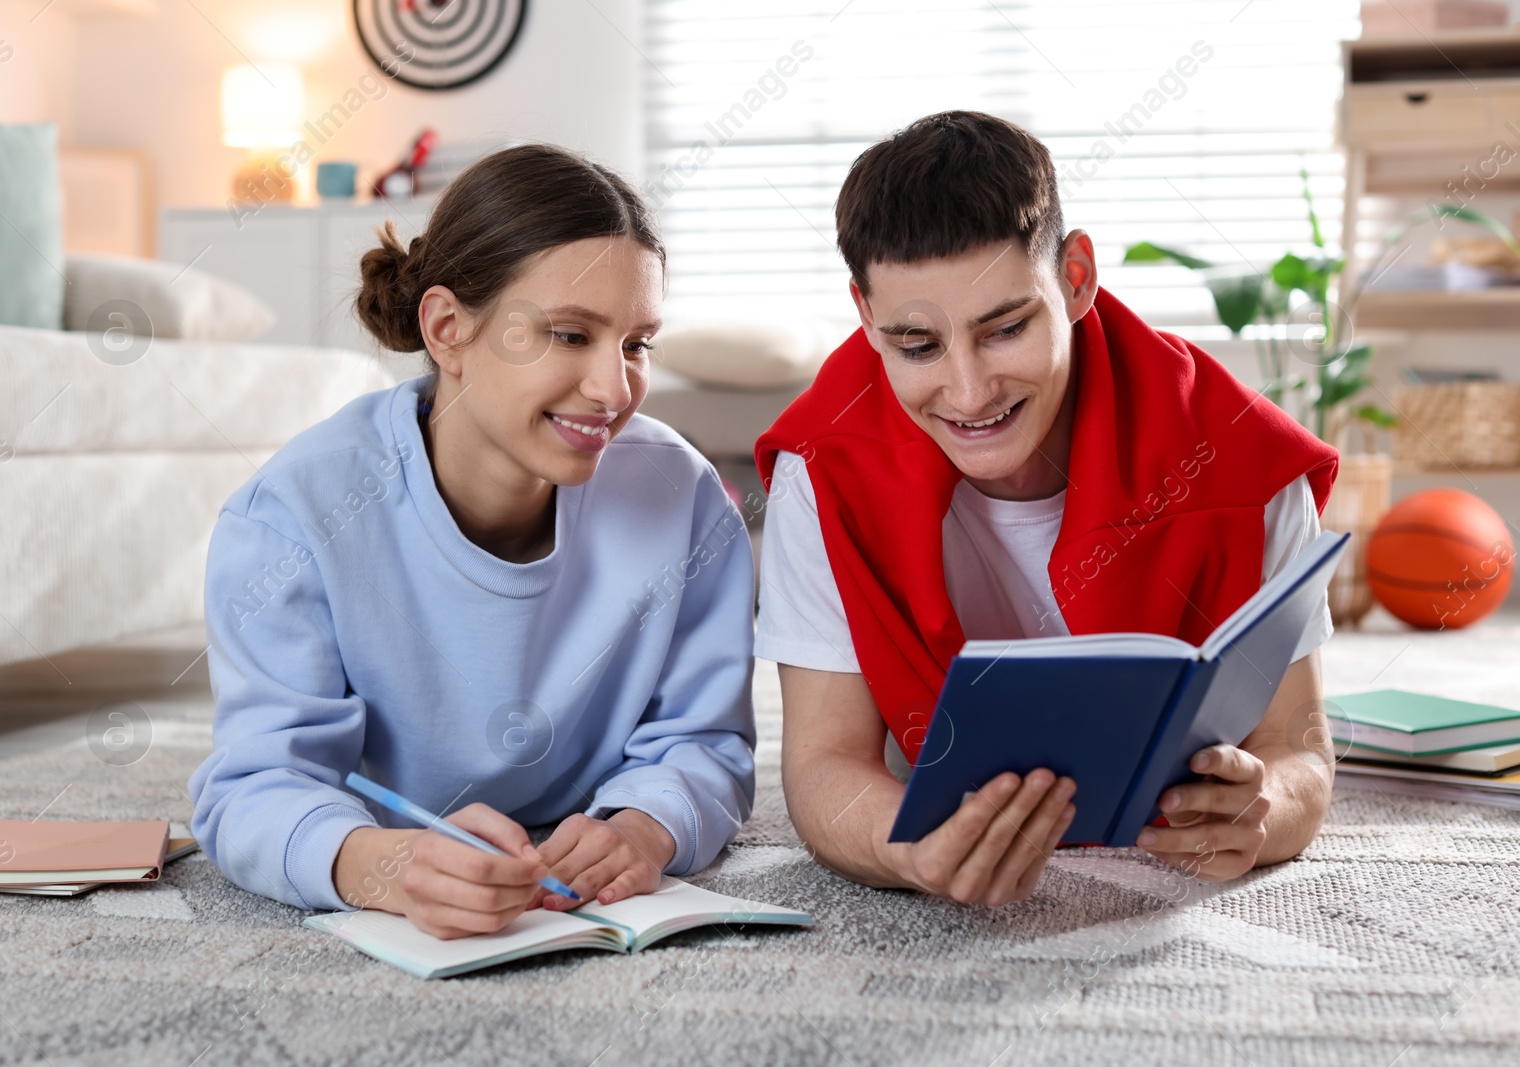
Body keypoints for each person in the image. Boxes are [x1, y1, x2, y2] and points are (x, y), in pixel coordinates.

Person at [753, 111, 1338, 907]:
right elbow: (823, 761)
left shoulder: (1239, 454)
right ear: (864, 312)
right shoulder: (822, 469)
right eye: (916, 345)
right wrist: (914, 850)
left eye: (1006, 329)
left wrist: (1266, 809)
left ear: (1076, 278)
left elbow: (1298, 748)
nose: (968, 392)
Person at [188, 144, 756, 939]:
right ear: (448, 329)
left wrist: (643, 827)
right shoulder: (292, 514)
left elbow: (705, 742)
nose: (613, 388)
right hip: (393, 836)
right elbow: (255, 785)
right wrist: (381, 865)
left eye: (636, 344)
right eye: (568, 335)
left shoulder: (683, 495)